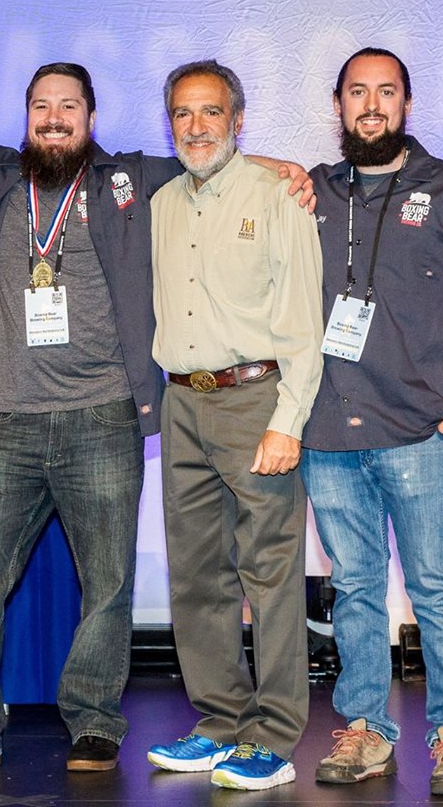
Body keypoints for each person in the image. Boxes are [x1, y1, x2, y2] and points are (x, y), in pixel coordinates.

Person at [0, 63, 314, 776]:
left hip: (104, 418)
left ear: (92, 117)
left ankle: (95, 721)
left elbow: (214, 158)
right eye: (40, 106)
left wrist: (282, 165)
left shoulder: (129, 183)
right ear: (25, 114)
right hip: (8, 424)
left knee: (110, 585)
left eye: (69, 106)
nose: (54, 118)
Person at [300, 47, 443, 797]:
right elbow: (234, 167)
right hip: (327, 431)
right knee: (356, 589)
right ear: (337, 106)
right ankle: (365, 730)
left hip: (423, 430)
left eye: (386, 92)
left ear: (407, 104)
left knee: (435, 587)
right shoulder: (314, 191)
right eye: (357, 92)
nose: (372, 105)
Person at [145, 60, 324, 791]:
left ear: (238, 119)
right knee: (196, 577)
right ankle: (219, 723)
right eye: (183, 113)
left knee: (271, 575)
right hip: (181, 404)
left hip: (257, 400)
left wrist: (290, 419)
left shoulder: (277, 192)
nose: (196, 126)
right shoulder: (159, 203)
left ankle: (274, 739)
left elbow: (305, 319)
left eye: (210, 112)